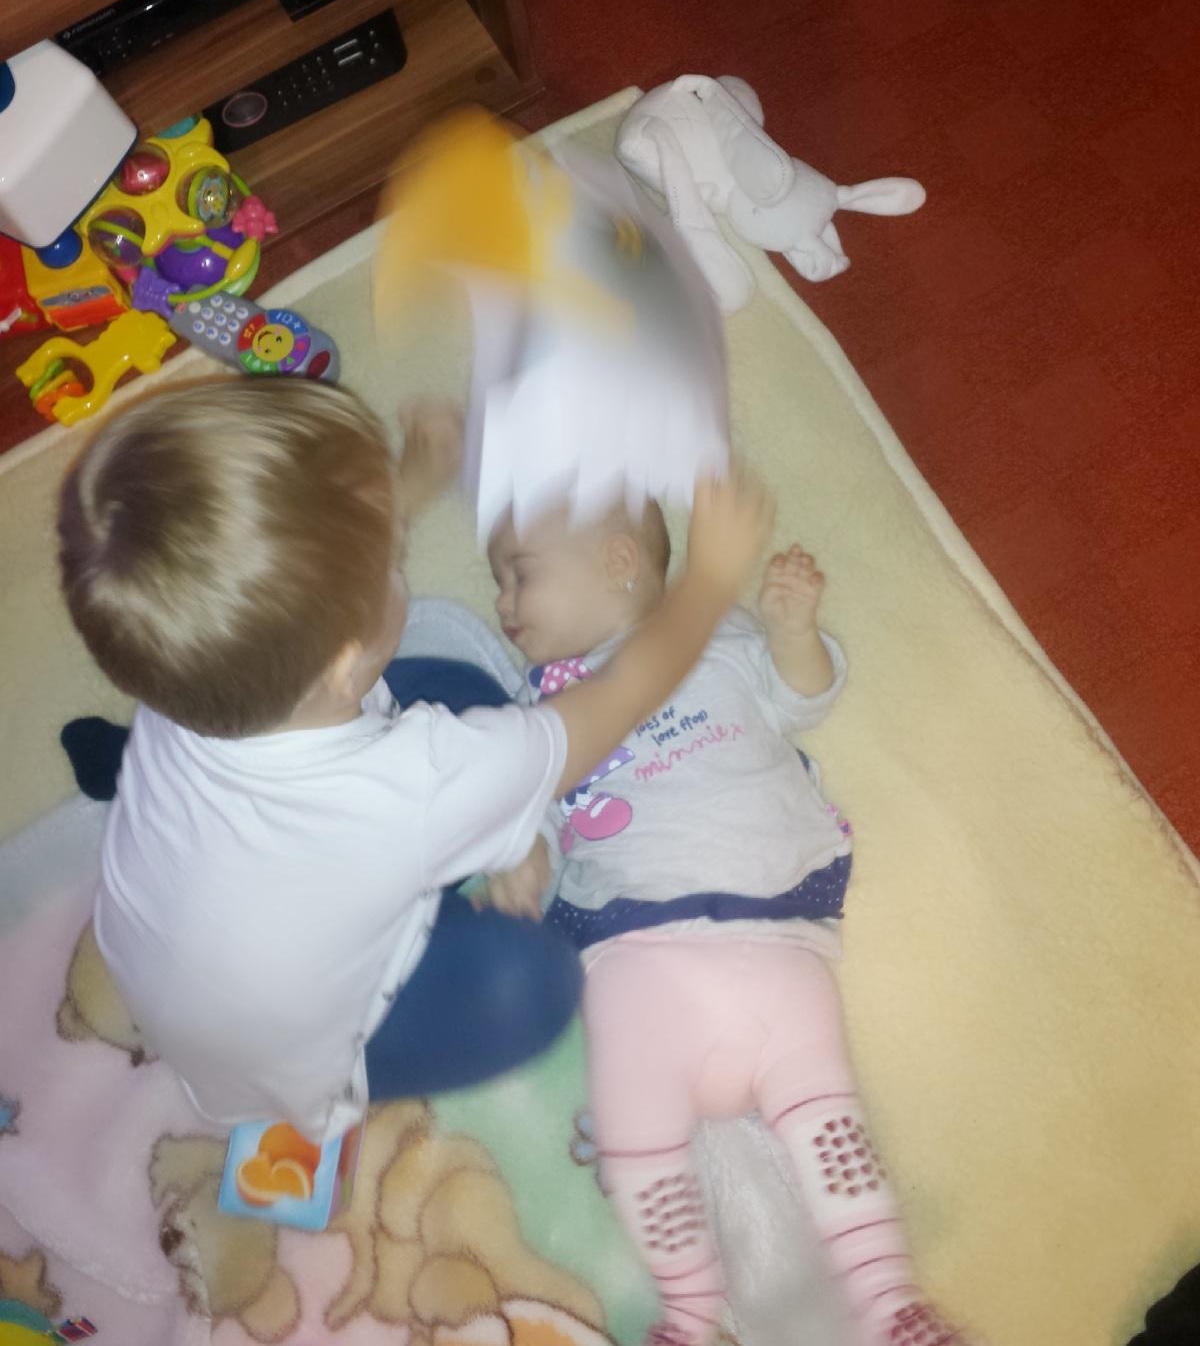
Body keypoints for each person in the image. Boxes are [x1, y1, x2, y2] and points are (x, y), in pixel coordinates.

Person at [56, 376, 772, 1143]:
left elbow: (288, 580)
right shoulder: (415, 781)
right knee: (532, 981)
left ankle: (143, 776)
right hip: (306, 1056)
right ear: (342, 662)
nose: (399, 555)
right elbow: (616, 698)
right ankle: (445, 901)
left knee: (465, 695)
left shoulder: (188, 663)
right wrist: (707, 585)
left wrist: (414, 478)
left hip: (182, 948)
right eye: (389, 560)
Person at [486, 503, 973, 1346]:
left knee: (829, 1127)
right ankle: (688, 1312)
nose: (501, 602)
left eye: (518, 574)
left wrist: (793, 632)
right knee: (639, 1141)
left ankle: (890, 1303)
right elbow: (533, 811)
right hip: (638, 954)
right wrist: (523, 853)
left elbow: (802, 694)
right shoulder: (542, 712)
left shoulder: (717, 636)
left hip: (773, 932)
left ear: (618, 562)